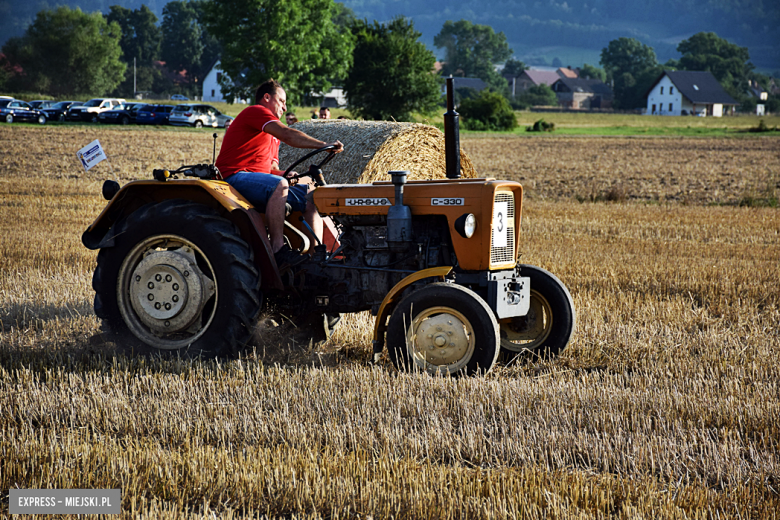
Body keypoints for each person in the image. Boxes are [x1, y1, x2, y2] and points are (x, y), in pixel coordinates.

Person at [216, 79, 343, 268]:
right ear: (267, 97)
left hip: (253, 180)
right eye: (282, 101)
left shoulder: (271, 137)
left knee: (313, 197)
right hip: (233, 177)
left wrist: (289, 174)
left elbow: (270, 170)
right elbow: (288, 135)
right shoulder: (256, 112)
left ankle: (315, 258)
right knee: (279, 185)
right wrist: (323, 145)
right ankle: (277, 249)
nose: (284, 108)